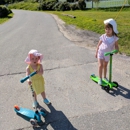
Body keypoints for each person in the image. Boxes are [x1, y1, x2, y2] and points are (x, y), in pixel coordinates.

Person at [95, 18, 119, 85]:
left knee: (105, 66)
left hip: (108, 54)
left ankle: (105, 77)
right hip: (101, 52)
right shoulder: (103, 36)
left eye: (109, 29)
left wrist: (117, 50)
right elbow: (98, 44)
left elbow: (116, 46)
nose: (107, 30)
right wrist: (96, 52)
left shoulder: (115, 38)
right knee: (100, 65)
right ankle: (100, 79)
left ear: (113, 29)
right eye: (106, 29)